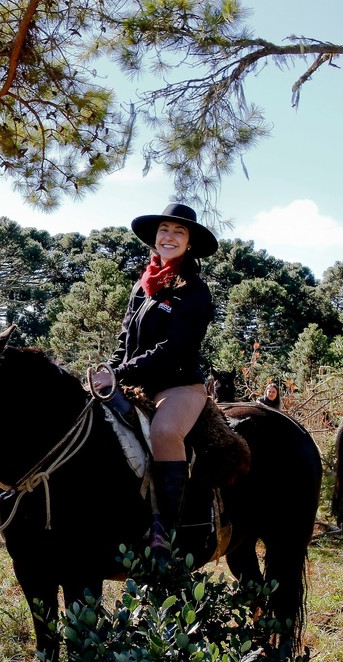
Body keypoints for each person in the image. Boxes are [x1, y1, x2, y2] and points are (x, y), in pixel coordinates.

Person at [91, 203, 217, 553]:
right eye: (164, 230)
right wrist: (108, 370)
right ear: (155, 238)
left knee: (164, 432)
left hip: (177, 384)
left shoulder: (195, 291)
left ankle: (167, 530)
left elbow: (174, 348)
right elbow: (124, 340)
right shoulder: (144, 285)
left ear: (190, 243)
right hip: (133, 379)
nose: (169, 237)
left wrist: (120, 373)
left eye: (179, 232)